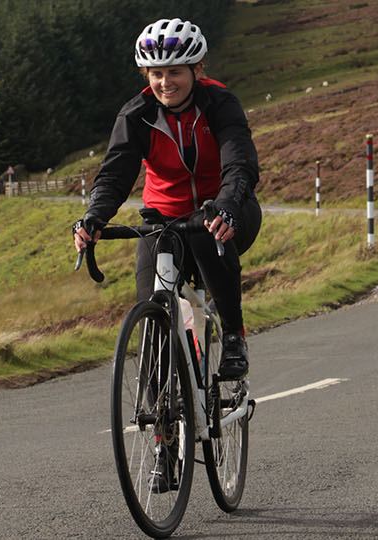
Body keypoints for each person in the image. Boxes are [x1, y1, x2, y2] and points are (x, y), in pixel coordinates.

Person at [73, 17, 261, 380]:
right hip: (162, 219)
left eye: (174, 71)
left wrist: (228, 203)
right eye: (156, 73)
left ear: (197, 69)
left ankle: (235, 336)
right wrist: (95, 216)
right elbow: (115, 173)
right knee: (150, 312)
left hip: (228, 209)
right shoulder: (136, 114)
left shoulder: (220, 103)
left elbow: (240, 162)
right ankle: (160, 422)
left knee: (207, 233)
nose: (165, 82)